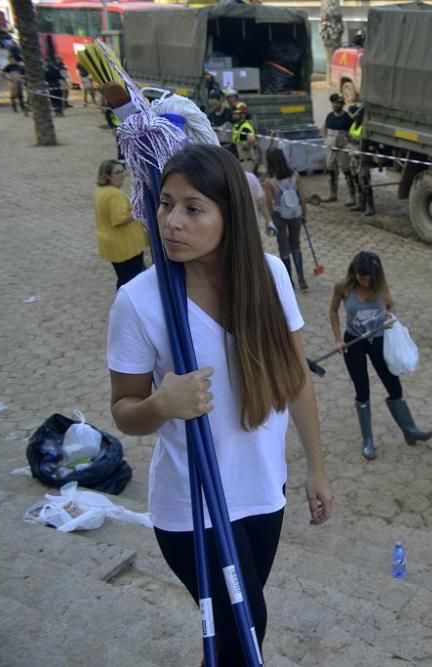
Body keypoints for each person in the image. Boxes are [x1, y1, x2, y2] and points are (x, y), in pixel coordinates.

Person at [107, 144, 334, 664]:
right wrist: (162, 404)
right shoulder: (139, 302)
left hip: (263, 492)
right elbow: (124, 408)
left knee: (244, 632)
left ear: (228, 214)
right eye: (165, 204)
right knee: (245, 630)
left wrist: (316, 468)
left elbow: (297, 379)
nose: (172, 222)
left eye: (193, 208)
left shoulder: (270, 276)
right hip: (193, 505)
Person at [329, 251, 432, 460]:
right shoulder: (343, 287)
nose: (366, 281)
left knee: (393, 384)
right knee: (362, 389)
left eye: (369, 277)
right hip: (354, 342)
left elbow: (390, 305)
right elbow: (333, 311)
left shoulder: (381, 287)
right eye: (362, 277)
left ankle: (410, 430)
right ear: (354, 272)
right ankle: (368, 440)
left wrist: (388, 318)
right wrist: (337, 339)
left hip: (378, 341)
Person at [94, 160, 148, 290]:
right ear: (107, 175)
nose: (122, 175)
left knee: (125, 276)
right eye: (117, 173)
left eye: (123, 172)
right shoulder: (114, 195)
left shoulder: (101, 190)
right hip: (125, 246)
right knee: (130, 279)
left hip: (113, 244)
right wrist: (138, 210)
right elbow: (119, 220)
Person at [264, 148, 309, 290]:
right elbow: (302, 198)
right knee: (296, 245)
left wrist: (270, 219)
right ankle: (302, 278)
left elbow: (269, 203)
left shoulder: (269, 182)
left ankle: (289, 280)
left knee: (283, 247)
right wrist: (304, 215)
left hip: (279, 216)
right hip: (295, 214)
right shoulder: (295, 176)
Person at [322, 93, 355, 204]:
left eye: (338, 103)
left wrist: (349, 145)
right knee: (331, 172)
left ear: (342, 104)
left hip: (342, 149)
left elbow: (352, 134)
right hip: (331, 149)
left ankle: (352, 197)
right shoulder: (330, 116)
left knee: (347, 172)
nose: (335, 105)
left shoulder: (347, 118)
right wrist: (326, 140)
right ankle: (333, 194)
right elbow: (324, 128)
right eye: (334, 103)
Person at [348, 105, 376, 216]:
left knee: (365, 182)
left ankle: (370, 207)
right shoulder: (354, 126)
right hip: (353, 156)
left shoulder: (365, 127)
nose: (353, 118)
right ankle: (361, 204)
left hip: (363, 158)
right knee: (356, 180)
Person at [231, 102, 258, 174]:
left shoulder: (245, 126)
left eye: (236, 114)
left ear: (242, 115)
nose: (234, 115)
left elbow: (252, 139)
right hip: (240, 160)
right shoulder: (237, 126)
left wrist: (245, 146)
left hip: (246, 161)